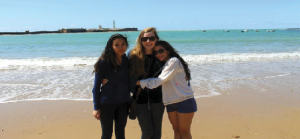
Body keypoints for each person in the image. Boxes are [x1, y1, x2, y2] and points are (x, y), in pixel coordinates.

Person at [137, 40, 197, 139]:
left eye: (161, 51)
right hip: (170, 103)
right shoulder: (164, 64)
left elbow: (159, 81)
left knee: (184, 132)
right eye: (156, 52)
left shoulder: (174, 61)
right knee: (176, 131)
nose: (158, 54)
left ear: (168, 50)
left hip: (184, 100)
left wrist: (139, 82)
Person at [129, 27, 165, 139]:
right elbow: (122, 71)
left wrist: (185, 74)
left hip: (159, 99)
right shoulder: (133, 54)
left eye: (151, 38)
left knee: (157, 132)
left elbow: (173, 67)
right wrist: (104, 77)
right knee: (147, 132)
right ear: (141, 40)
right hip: (140, 99)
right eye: (145, 39)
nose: (148, 41)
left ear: (156, 39)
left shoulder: (161, 54)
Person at [92, 34, 130, 139]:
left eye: (123, 44)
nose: (120, 47)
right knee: (106, 134)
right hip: (107, 104)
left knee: (121, 134)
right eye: (116, 45)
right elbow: (96, 87)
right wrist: (96, 107)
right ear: (111, 46)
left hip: (123, 103)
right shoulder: (104, 62)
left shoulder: (126, 60)